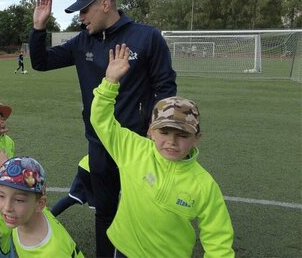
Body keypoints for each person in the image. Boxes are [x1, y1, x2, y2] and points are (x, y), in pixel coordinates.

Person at [28, 0, 177, 256]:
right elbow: (41, 62)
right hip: (99, 144)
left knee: (146, 210)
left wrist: (155, 129)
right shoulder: (82, 41)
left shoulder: (146, 37)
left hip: (139, 144)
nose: (81, 18)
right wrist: (38, 27)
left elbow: (165, 87)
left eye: (84, 11)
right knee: (105, 212)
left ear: (105, 4)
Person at [90, 44, 235, 257]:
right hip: (124, 250)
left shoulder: (204, 185)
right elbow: (100, 120)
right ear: (150, 131)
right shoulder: (133, 149)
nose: (172, 142)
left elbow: (218, 239)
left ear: (197, 139)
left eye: (183, 135)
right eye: (164, 132)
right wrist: (110, 82)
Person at [0, 156, 84, 257]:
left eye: (19, 200)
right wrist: (5, 164)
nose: (7, 207)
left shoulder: (49, 253)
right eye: (1, 196)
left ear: (40, 204)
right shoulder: (27, 213)